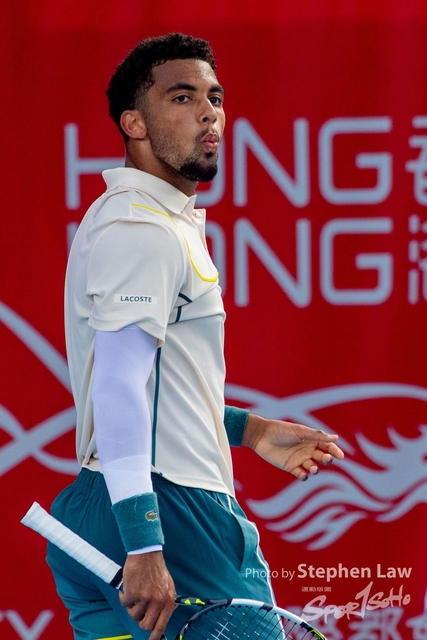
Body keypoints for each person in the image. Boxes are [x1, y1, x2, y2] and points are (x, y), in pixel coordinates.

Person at [46, 33, 344, 640]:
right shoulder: (144, 229)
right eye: (182, 97)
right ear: (134, 123)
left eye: (215, 97)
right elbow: (119, 386)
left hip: (95, 508)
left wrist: (248, 430)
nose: (209, 112)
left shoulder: (127, 218)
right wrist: (144, 542)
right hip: (170, 516)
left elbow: (153, 387)